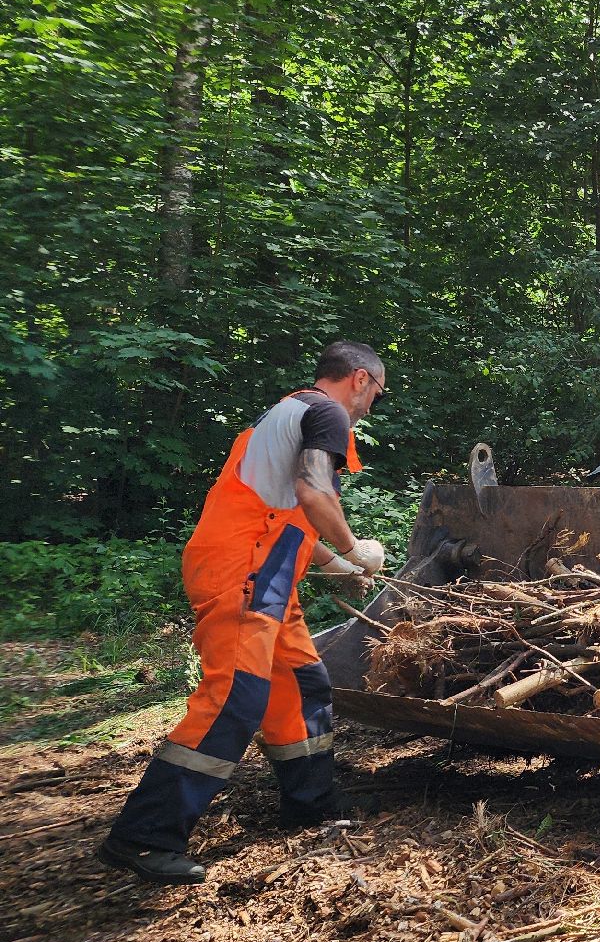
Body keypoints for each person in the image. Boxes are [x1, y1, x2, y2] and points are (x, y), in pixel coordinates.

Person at [98, 342, 391, 884]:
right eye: (378, 389)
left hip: (269, 574)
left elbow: (290, 511)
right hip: (245, 572)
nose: (374, 402)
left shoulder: (290, 411)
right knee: (236, 695)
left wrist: (337, 566)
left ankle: (311, 804)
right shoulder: (325, 412)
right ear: (358, 379)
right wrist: (355, 548)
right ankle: (143, 836)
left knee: (301, 684)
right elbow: (314, 490)